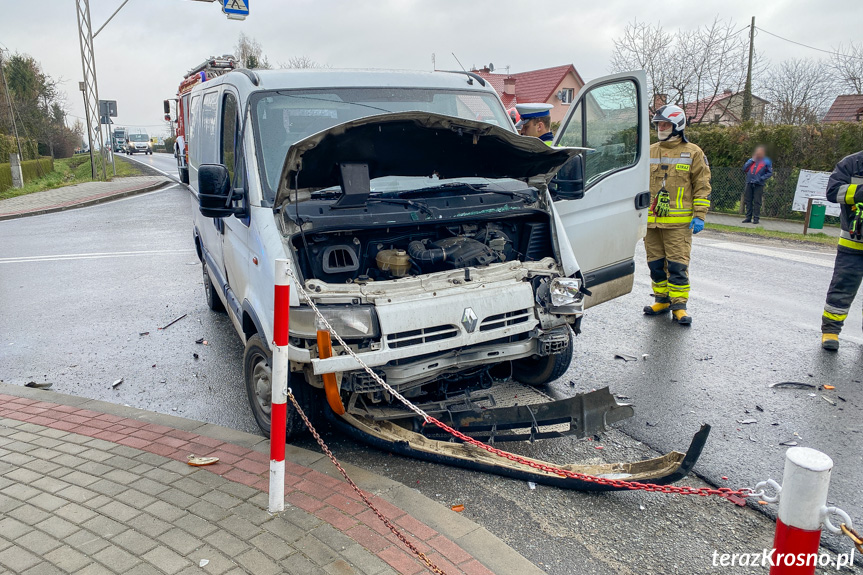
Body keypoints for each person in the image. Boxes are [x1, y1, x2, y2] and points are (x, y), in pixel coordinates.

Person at [643, 104, 711, 326]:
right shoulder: (649, 150)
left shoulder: (693, 152)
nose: (661, 128)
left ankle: (679, 306)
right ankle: (661, 300)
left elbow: (702, 186)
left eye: (665, 124)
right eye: (658, 124)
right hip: (651, 223)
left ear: (677, 125)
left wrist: (700, 214)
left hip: (678, 225)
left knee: (677, 266)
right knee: (655, 264)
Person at [819, 150, 863, 351]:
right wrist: (860, 192)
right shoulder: (852, 163)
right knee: (842, 289)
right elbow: (832, 191)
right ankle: (831, 332)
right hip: (853, 244)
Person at [742, 145, 773, 224]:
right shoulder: (751, 160)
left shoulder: (766, 161)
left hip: (759, 184)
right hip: (749, 182)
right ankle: (748, 217)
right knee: (748, 200)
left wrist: (761, 178)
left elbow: (769, 173)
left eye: (760, 152)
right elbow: (744, 168)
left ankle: (756, 218)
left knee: (757, 201)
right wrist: (752, 161)